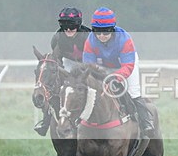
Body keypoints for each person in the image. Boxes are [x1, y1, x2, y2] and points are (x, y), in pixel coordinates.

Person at [83, 7, 155, 136]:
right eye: (97, 32)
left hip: (126, 63)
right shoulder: (90, 40)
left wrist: (116, 77)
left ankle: (146, 123)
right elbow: (88, 65)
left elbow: (128, 66)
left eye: (106, 32)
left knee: (133, 91)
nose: (101, 36)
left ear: (112, 29)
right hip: (104, 65)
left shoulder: (124, 39)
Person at [34, 7, 92, 135]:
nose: (68, 29)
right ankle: (46, 120)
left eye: (72, 26)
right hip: (69, 62)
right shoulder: (57, 38)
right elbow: (57, 60)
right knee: (57, 88)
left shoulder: (88, 36)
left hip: (89, 61)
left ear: (78, 24)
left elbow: (95, 58)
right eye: (65, 26)